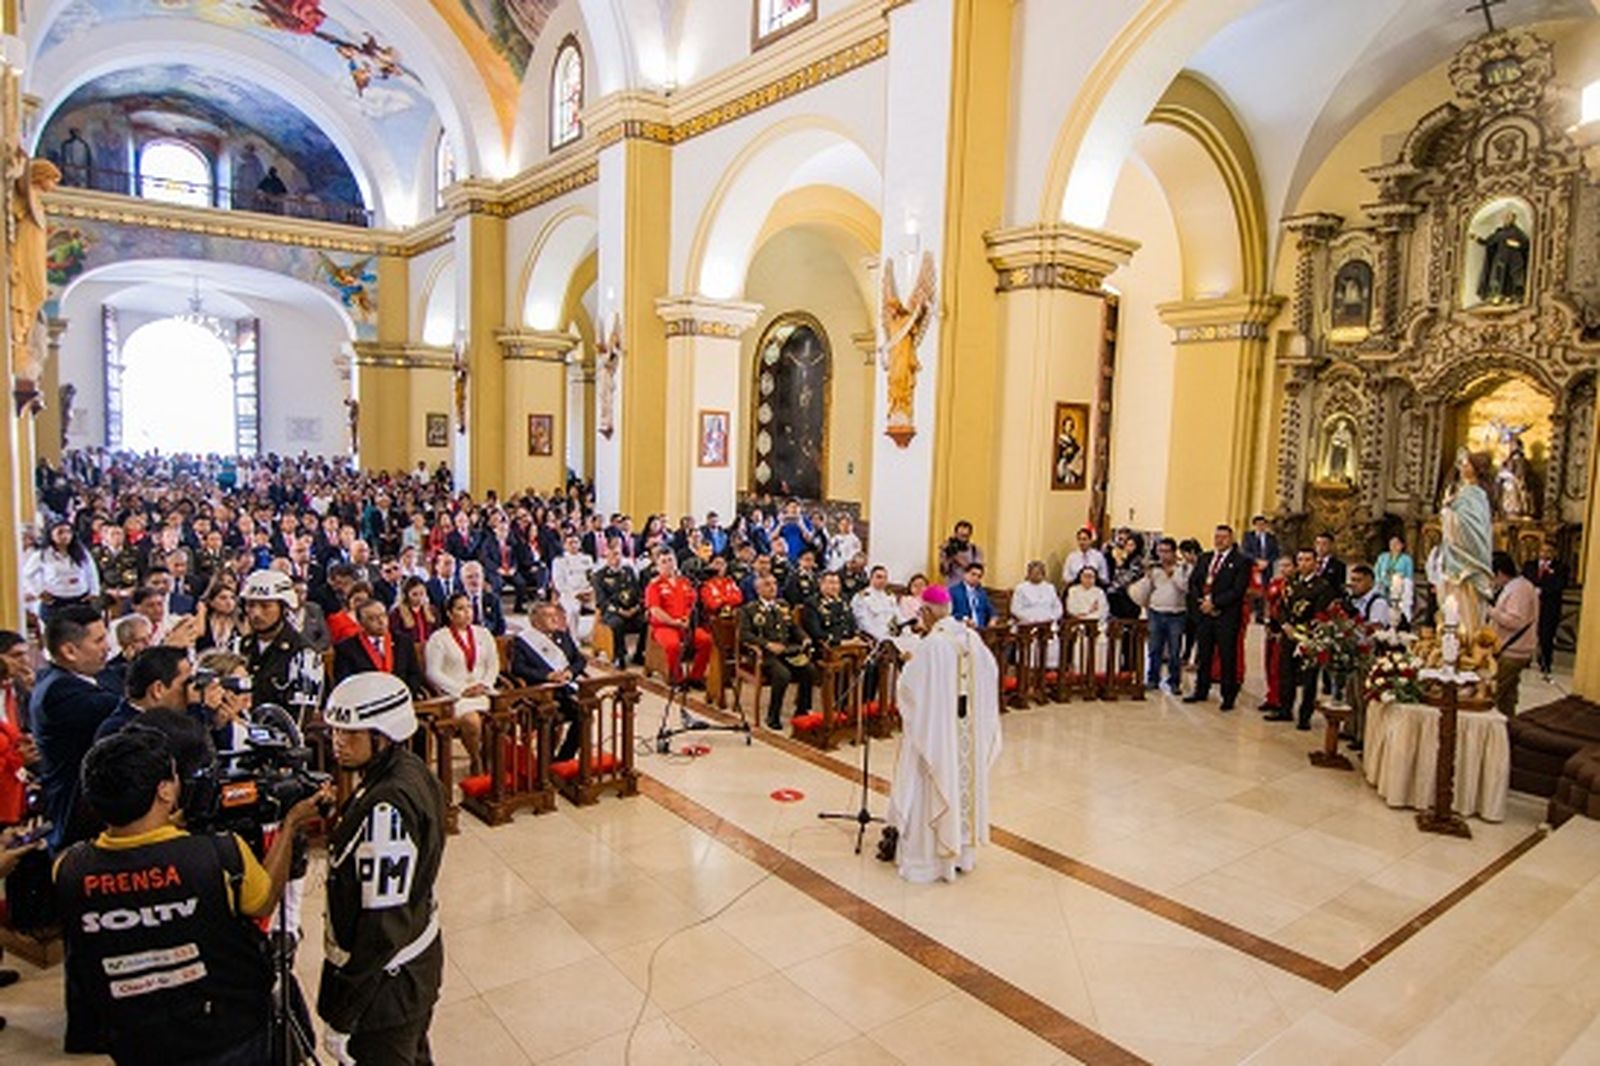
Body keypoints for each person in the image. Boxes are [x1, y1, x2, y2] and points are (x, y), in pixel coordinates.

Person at [54, 728, 328, 1066]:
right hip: (226, 1034)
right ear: (165, 790)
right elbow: (263, 901)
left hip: (134, 1038)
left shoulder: (69, 868)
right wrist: (290, 826)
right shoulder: (220, 854)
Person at [318, 674, 445, 1065]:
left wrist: (345, 1014)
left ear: (384, 734)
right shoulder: (408, 769)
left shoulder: (386, 807)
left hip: (386, 986)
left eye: (351, 733)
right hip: (414, 964)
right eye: (336, 730)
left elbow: (381, 924)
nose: (338, 741)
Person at [882, 585, 1001, 883]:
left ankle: (928, 862)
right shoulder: (971, 638)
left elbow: (911, 691)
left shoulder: (932, 645)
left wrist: (908, 666)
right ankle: (960, 855)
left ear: (926, 612)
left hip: (937, 735)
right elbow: (991, 675)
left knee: (932, 786)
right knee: (960, 786)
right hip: (964, 734)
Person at [30, 605, 119, 852]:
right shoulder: (60, 692)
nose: (108, 647)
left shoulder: (67, 680)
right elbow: (121, 707)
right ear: (69, 650)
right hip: (76, 821)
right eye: (99, 640)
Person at [424, 592, 497, 776]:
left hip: (483, 690)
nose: (466, 612)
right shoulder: (439, 638)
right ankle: (476, 760)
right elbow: (433, 672)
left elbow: (493, 664)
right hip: (456, 695)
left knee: (498, 717)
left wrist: (485, 685)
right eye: (460, 608)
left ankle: (491, 760)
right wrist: (462, 690)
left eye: (469, 607)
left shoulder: (484, 633)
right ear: (449, 613)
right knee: (472, 721)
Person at [508, 603, 589, 762]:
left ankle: (564, 758)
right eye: (548, 616)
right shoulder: (523, 642)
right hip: (541, 691)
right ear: (535, 621)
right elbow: (519, 669)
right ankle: (546, 762)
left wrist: (569, 672)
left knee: (585, 714)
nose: (554, 619)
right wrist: (547, 675)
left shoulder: (562, 636)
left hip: (567, 687)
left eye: (555, 615)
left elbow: (579, 660)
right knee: (552, 716)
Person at [1183, 525, 1251, 712]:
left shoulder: (1241, 561)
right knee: (1204, 654)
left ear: (1231, 539)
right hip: (1204, 614)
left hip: (1225, 615)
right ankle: (1201, 690)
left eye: (1223, 537)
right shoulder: (1205, 558)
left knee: (1227, 656)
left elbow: (1238, 590)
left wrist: (1215, 603)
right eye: (1217, 536)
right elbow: (1194, 583)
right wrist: (1202, 603)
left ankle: (1228, 696)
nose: (1219, 540)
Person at [1270, 548, 1336, 730]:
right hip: (1288, 634)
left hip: (1308, 637)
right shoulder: (1290, 583)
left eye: (1308, 560)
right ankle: (1285, 709)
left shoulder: (1322, 586)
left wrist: (1304, 631)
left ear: (1315, 563)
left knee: (1309, 678)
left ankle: (1305, 716)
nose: (1303, 563)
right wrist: (1284, 625)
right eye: (1300, 560)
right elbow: (1282, 606)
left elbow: (1321, 612)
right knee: (1286, 673)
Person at [739, 574, 814, 731]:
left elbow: (793, 627)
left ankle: (802, 710)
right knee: (782, 674)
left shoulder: (782, 605)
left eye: (774, 584)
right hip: (764, 655)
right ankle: (773, 715)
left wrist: (804, 637)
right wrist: (767, 644)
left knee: (809, 669)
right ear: (758, 589)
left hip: (786, 650)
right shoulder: (749, 609)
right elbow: (744, 634)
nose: (773, 587)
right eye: (767, 584)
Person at [240, 569, 313, 712]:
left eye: (265, 606)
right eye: (251, 605)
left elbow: (301, 716)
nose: (256, 613)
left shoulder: (303, 654)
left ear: (283, 608)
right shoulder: (239, 646)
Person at [92, 645, 193, 741]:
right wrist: (197, 711)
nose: (190, 690)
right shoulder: (118, 730)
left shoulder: (167, 719)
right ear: (158, 689)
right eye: (185, 683)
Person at [1130, 538, 1188, 695]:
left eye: (1166, 551)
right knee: (1154, 648)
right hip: (1156, 611)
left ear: (1174, 552)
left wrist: (1173, 573)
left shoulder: (1182, 568)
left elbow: (1185, 587)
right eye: (1160, 551)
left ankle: (1174, 681)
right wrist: (1147, 577)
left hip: (1176, 613)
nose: (1163, 555)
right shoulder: (1154, 569)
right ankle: (1152, 679)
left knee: (1174, 650)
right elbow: (1145, 591)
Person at [335, 598, 428, 696]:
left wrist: (404, 693)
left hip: (401, 696)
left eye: (383, 615)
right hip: (368, 701)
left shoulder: (403, 642)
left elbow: (414, 674)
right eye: (372, 618)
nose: (381, 621)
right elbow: (347, 683)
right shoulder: (347, 648)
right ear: (360, 623)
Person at [646, 550, 713, 684]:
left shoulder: (685, 582)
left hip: (686, 624)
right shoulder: (654, 586)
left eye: (671, 560)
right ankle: (677, 677)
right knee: (673, 645)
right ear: (657, 566)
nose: (668, 564)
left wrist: (688, 618)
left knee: (707, 640)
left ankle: (696, 676)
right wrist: (674, 622)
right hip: (664, 626)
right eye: (664, 562)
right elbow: (655, 610)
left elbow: (692, 604)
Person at [1487, 551, 1537, 719]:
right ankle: (1508, 729)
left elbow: (1516, 622)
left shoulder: (1520, 589)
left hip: (1513, 651)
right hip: (1510, 648)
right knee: (1507, 698)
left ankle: (1495, 735)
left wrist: (1491, 612)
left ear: (1500, 572)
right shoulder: (1515, 587)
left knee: (1492, 693)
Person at [24, 520, 100, 623]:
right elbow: (27, 575)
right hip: (56, 601)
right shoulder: (42, 555)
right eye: (60, 532)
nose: (65, 536)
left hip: (80, 599)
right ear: (51, 534)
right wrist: (38, 591)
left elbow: (91, 572)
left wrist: (94, 591)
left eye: (69, 532)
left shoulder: (82, 552)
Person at [592, 542, 646, 667]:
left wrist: (635, 608)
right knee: (617, 623)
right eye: (613, 555)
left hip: (631, 610)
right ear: (607, 558)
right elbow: (602, 601)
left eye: (618, 555)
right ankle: (619, 655)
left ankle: (639, 654)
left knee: (646, 622)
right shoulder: (599, 576)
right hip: (612, 612)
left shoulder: (629, 571)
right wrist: (619, 610)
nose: (616, 558)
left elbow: (637, 592)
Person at [1524, 541, 1568, 680]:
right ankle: (1525, 659)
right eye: (1543, 550)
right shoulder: (1529, 566)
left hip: (1549, 607)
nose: (1545, 553)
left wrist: (1542, 590)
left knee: (1546, 636)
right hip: (1530, 606)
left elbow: (1559, 585)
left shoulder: (1561, 568)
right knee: (1527, 634)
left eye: (1549, 551)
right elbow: (1524, 581)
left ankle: (1545, 663)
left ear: (1554, 553)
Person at [1010, 560, 1064, 665]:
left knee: (1051, 641)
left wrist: (1051, 617)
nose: (1036, 575)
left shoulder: (1050, 588)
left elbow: (1058, 608)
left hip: (1048, 623)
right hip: (1029, 624)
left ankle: (1049, 669)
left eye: (1039, 573)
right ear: (1028, 574)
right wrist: (1032, 619)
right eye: (1033, 573)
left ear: (1043, 574)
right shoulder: (1021, 588)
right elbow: (1015, 609)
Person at [551, 534, 596, 639]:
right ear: (564, 545)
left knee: (603, 607)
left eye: (576, 542)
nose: (574, 545)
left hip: (587, 593)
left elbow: (592, 578)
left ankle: (594, 637)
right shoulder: (559, 561)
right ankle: (573, 639)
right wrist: (575, 594)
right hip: (569, 594)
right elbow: (559, 583)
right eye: (570, 543)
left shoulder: (587, 558)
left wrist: (590, 591)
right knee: (572, 611)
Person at [1374, 535, 1415, 627]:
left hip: (1400, 586)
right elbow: (1377, 571)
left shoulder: (1406, 559)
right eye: (1392, 544)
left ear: (1402, 545)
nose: (1394, 546)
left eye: (1397, 544)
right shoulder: (1383, 557)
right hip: (1383, 584)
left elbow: (1409, 575)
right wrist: (1380, 581)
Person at [852, 565, 900, 642]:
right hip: (875, 636)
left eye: (885, 578)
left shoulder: (890, 597)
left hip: (893, 634)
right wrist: (880, 636)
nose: (882, 580)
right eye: (879, 577)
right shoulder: (862, 597)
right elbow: (863, 623)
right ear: (871, 578)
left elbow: (898, 616)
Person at [459, 561, 506, 637]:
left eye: (477, 576)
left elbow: (501, 625)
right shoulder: (457, 599)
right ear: (462, 580)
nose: (474, 580)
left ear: (482, 577)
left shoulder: (493, 598)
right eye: (469, 577)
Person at [949, 562, 994, 628]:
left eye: (979, 576)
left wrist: (993, 619)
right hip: (962, 629)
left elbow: (991, 611)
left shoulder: (981, 593)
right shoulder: (953, 591)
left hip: (981, 630)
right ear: (965, 574)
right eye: (973, 574)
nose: (976, 578)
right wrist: (965, 619)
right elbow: (950, 614)